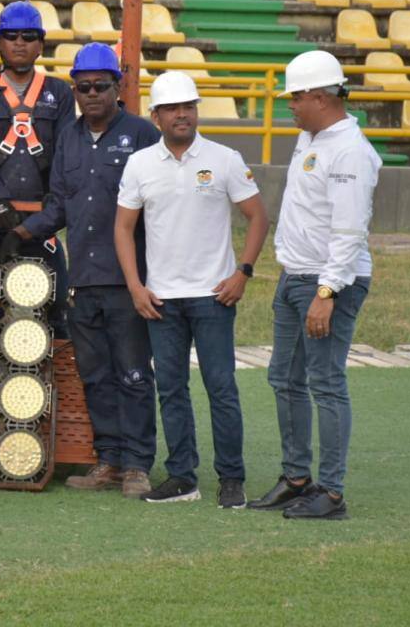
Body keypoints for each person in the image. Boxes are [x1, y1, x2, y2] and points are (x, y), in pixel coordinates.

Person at [9, 42, 160, 499]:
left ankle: (137, 464)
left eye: (101, 86)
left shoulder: (142, 135)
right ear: (74, 89)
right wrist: (23, 232)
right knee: (94, 374)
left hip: (128, 280)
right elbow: (59, 203)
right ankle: (108, 459)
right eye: (83, 87)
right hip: (84, 279)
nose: (92, 94)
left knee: (133, 373)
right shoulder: (69, 137)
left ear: (118, 87)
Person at [114, 71, 270, 508]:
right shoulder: (140, 163)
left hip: (213, 296)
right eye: (172, 108)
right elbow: (123, 229)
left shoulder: (224, 158)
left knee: (221, 388)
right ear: (156, 116)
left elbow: (258, 216)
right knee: (172, 389)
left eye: (189, 106)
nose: (182, 114)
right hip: (161, 298)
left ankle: (232, 479)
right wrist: (135, 286)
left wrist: (243, 272)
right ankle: (182, 477)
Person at [247, 50, 381, 520]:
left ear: (320, 97)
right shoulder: (313, 138)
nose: (290, 105)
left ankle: (333, 491)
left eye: (296, 97)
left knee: (324, 382)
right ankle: (298, 478)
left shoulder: (349, 152)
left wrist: (327, 293)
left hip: (326, 282)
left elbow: (348, 231)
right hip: (296, 276)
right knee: (283, 378)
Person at [0, 1, 74, 336]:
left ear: (41, 45)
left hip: (42, 222)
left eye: (29, 36)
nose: (20, 42)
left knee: (52, 305)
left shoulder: (59, 93)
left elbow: (65, 155)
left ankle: (57, 385)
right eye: (11, 35)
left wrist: (50, 212)